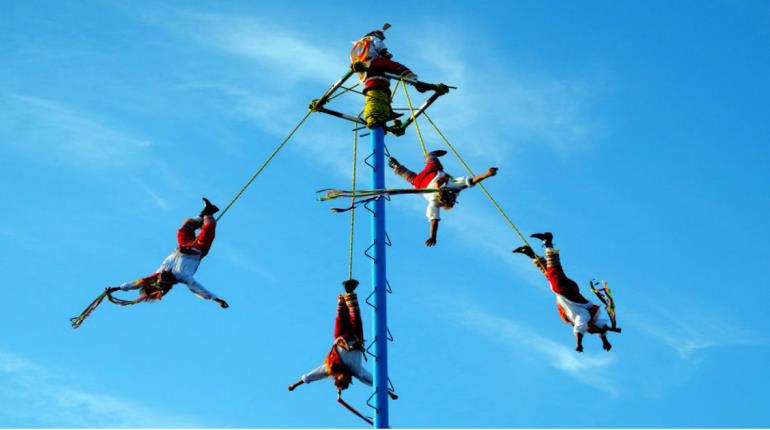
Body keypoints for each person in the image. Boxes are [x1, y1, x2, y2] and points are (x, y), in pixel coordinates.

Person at [109, 198, 229, 309]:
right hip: (199, 248)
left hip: (184, 244)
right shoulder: (183, 277)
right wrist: (216, 299)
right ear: (169, 283)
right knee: (208, 227)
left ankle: (207, 210)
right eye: (163, 280)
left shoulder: (159, 273)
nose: (162, 277)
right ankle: (208, 214)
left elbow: (138, 283)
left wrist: (119, 288)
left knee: (184, 228)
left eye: (159, 280)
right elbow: (198, 289)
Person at [288, 279, 397, 399]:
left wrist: (296, 384)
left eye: (341, 380)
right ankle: (349, 291)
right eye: (346, 380)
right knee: (355, 316)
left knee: (341, 317)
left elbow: (312, 375)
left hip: (341, 337)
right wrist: (388, 392)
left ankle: (343, 297)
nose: (344, 377)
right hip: (356, 338)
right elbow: (372, 380)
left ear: (336, 378)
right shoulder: (356, 371)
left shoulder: (330, 368)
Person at [513, 232, 615, 352]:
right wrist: (579, 344)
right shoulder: (584, 317)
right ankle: (548, 242)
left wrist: (605, 341)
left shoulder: (592, 317)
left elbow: (601, 328)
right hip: (566, 291)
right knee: (555, 273)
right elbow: (580, 328)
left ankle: (530, 253)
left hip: (569, 291)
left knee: (550, 274)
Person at [389, 150, 498, 247]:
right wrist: (487, 174)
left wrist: (433, 236)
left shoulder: (436, 202)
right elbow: (471, 181)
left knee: (428, 167)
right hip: (422, 183)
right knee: (413, 177)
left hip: (427, 178)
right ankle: (398, 167)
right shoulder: (453, 189)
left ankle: (422, 158)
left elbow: (434, 220)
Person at [350, 26, 423, 129]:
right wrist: (385, 55)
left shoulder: (358, 44)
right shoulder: (373, 39)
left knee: (384, 81)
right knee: (395, 66)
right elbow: (381, 47)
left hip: (363, 66)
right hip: (373, 61)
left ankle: (388, 109)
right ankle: (410, 77)